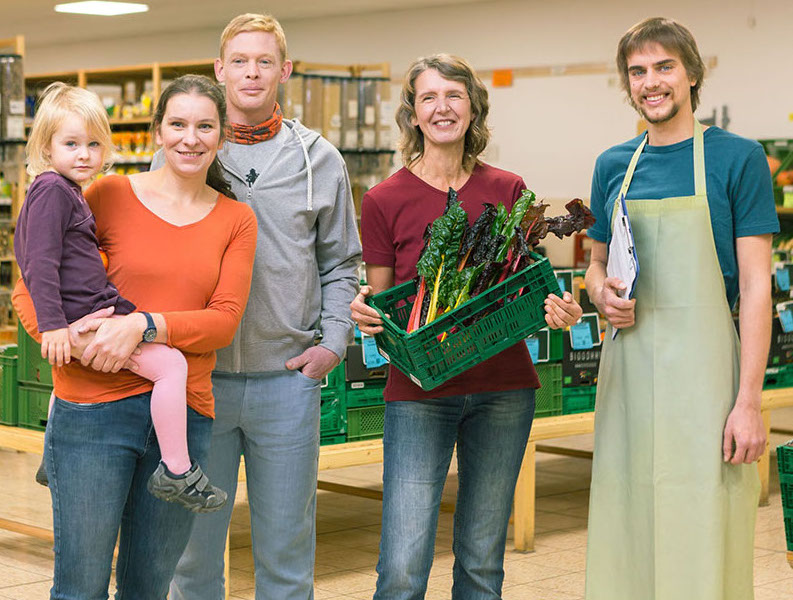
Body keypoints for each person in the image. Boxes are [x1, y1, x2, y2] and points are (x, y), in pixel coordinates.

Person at [12, 74, 257, 599]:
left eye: (205, 126)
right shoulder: (104, 193)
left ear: (222, 135)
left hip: (184, 416)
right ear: (157, 131)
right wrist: (67, 340)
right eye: (177, 124)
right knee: (80, 586)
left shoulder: (236, 219)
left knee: (148, 587)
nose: (190, 138)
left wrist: (143, 325)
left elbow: (224, 321)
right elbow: (30, 284)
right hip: (93, 407)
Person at [350, 54, 583, 599]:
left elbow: (531, 285)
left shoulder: (508, 189)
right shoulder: (383, 200)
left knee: (481, 561)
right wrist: (366, 315)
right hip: (419, 391)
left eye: (454, 95)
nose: (442, 107)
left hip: (503, 390)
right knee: (403, 564)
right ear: (412, 114)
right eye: (428, 97)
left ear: (473, 107)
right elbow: (383, 304)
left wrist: (559, 308)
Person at [583, 17, 778, 600]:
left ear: (693, 74)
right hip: (629, 375)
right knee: (628, 509)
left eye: (664, 67)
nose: (651, 82)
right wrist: (601, 293)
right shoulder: (613, 164)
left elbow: (757, 289)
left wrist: (749, 403)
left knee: (705, 513)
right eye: (637, 71)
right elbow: (595, 265)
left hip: (708, 378)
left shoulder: (739, 159)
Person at [168, 13, 361, 600]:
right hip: (201, 382)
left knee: (285, 546)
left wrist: (331, 344)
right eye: (240, 61)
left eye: (265, 61)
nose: (252, 72)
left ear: (285, 70)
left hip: (286, 382)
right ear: (220, 70)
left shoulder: (319, 159)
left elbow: (342, 263)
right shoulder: (187, 149)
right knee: (192, 548)